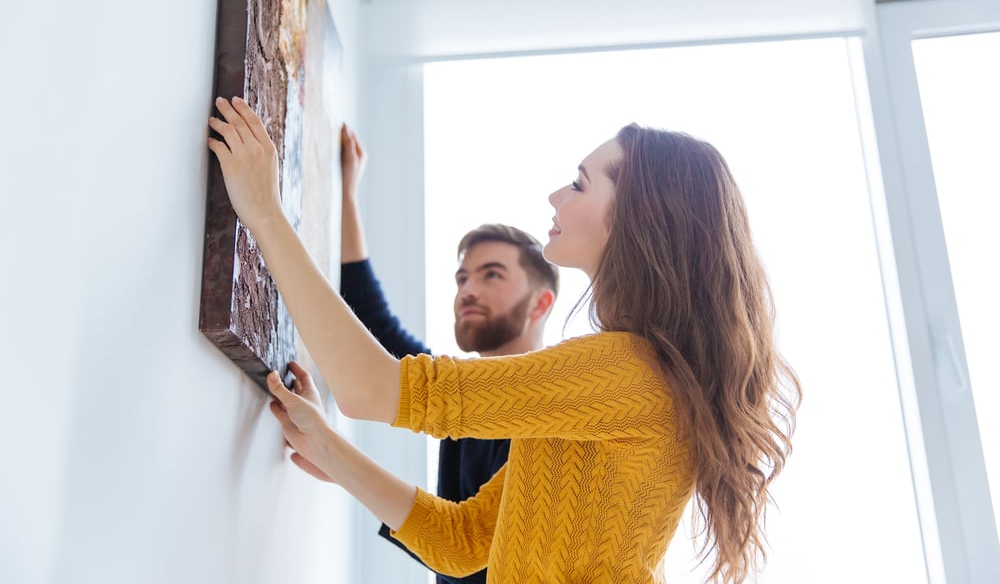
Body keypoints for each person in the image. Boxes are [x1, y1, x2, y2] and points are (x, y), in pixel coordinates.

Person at [207, 97, 802, 583]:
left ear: (638, 217)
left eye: (579, 184)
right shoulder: (615, 378)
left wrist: (264, 212)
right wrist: (329, 447)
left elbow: (369, 389)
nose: (555, 197)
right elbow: (460, 541)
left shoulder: (623, 372)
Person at [337, 125, 559, 584]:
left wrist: (338, 461)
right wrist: (348, 195)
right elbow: (375, 327)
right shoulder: (460, 395)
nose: (467, 291)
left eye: (491, 275)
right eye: (462, 279)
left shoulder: (551, 416)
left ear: (541, 303)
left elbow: (467, 552)